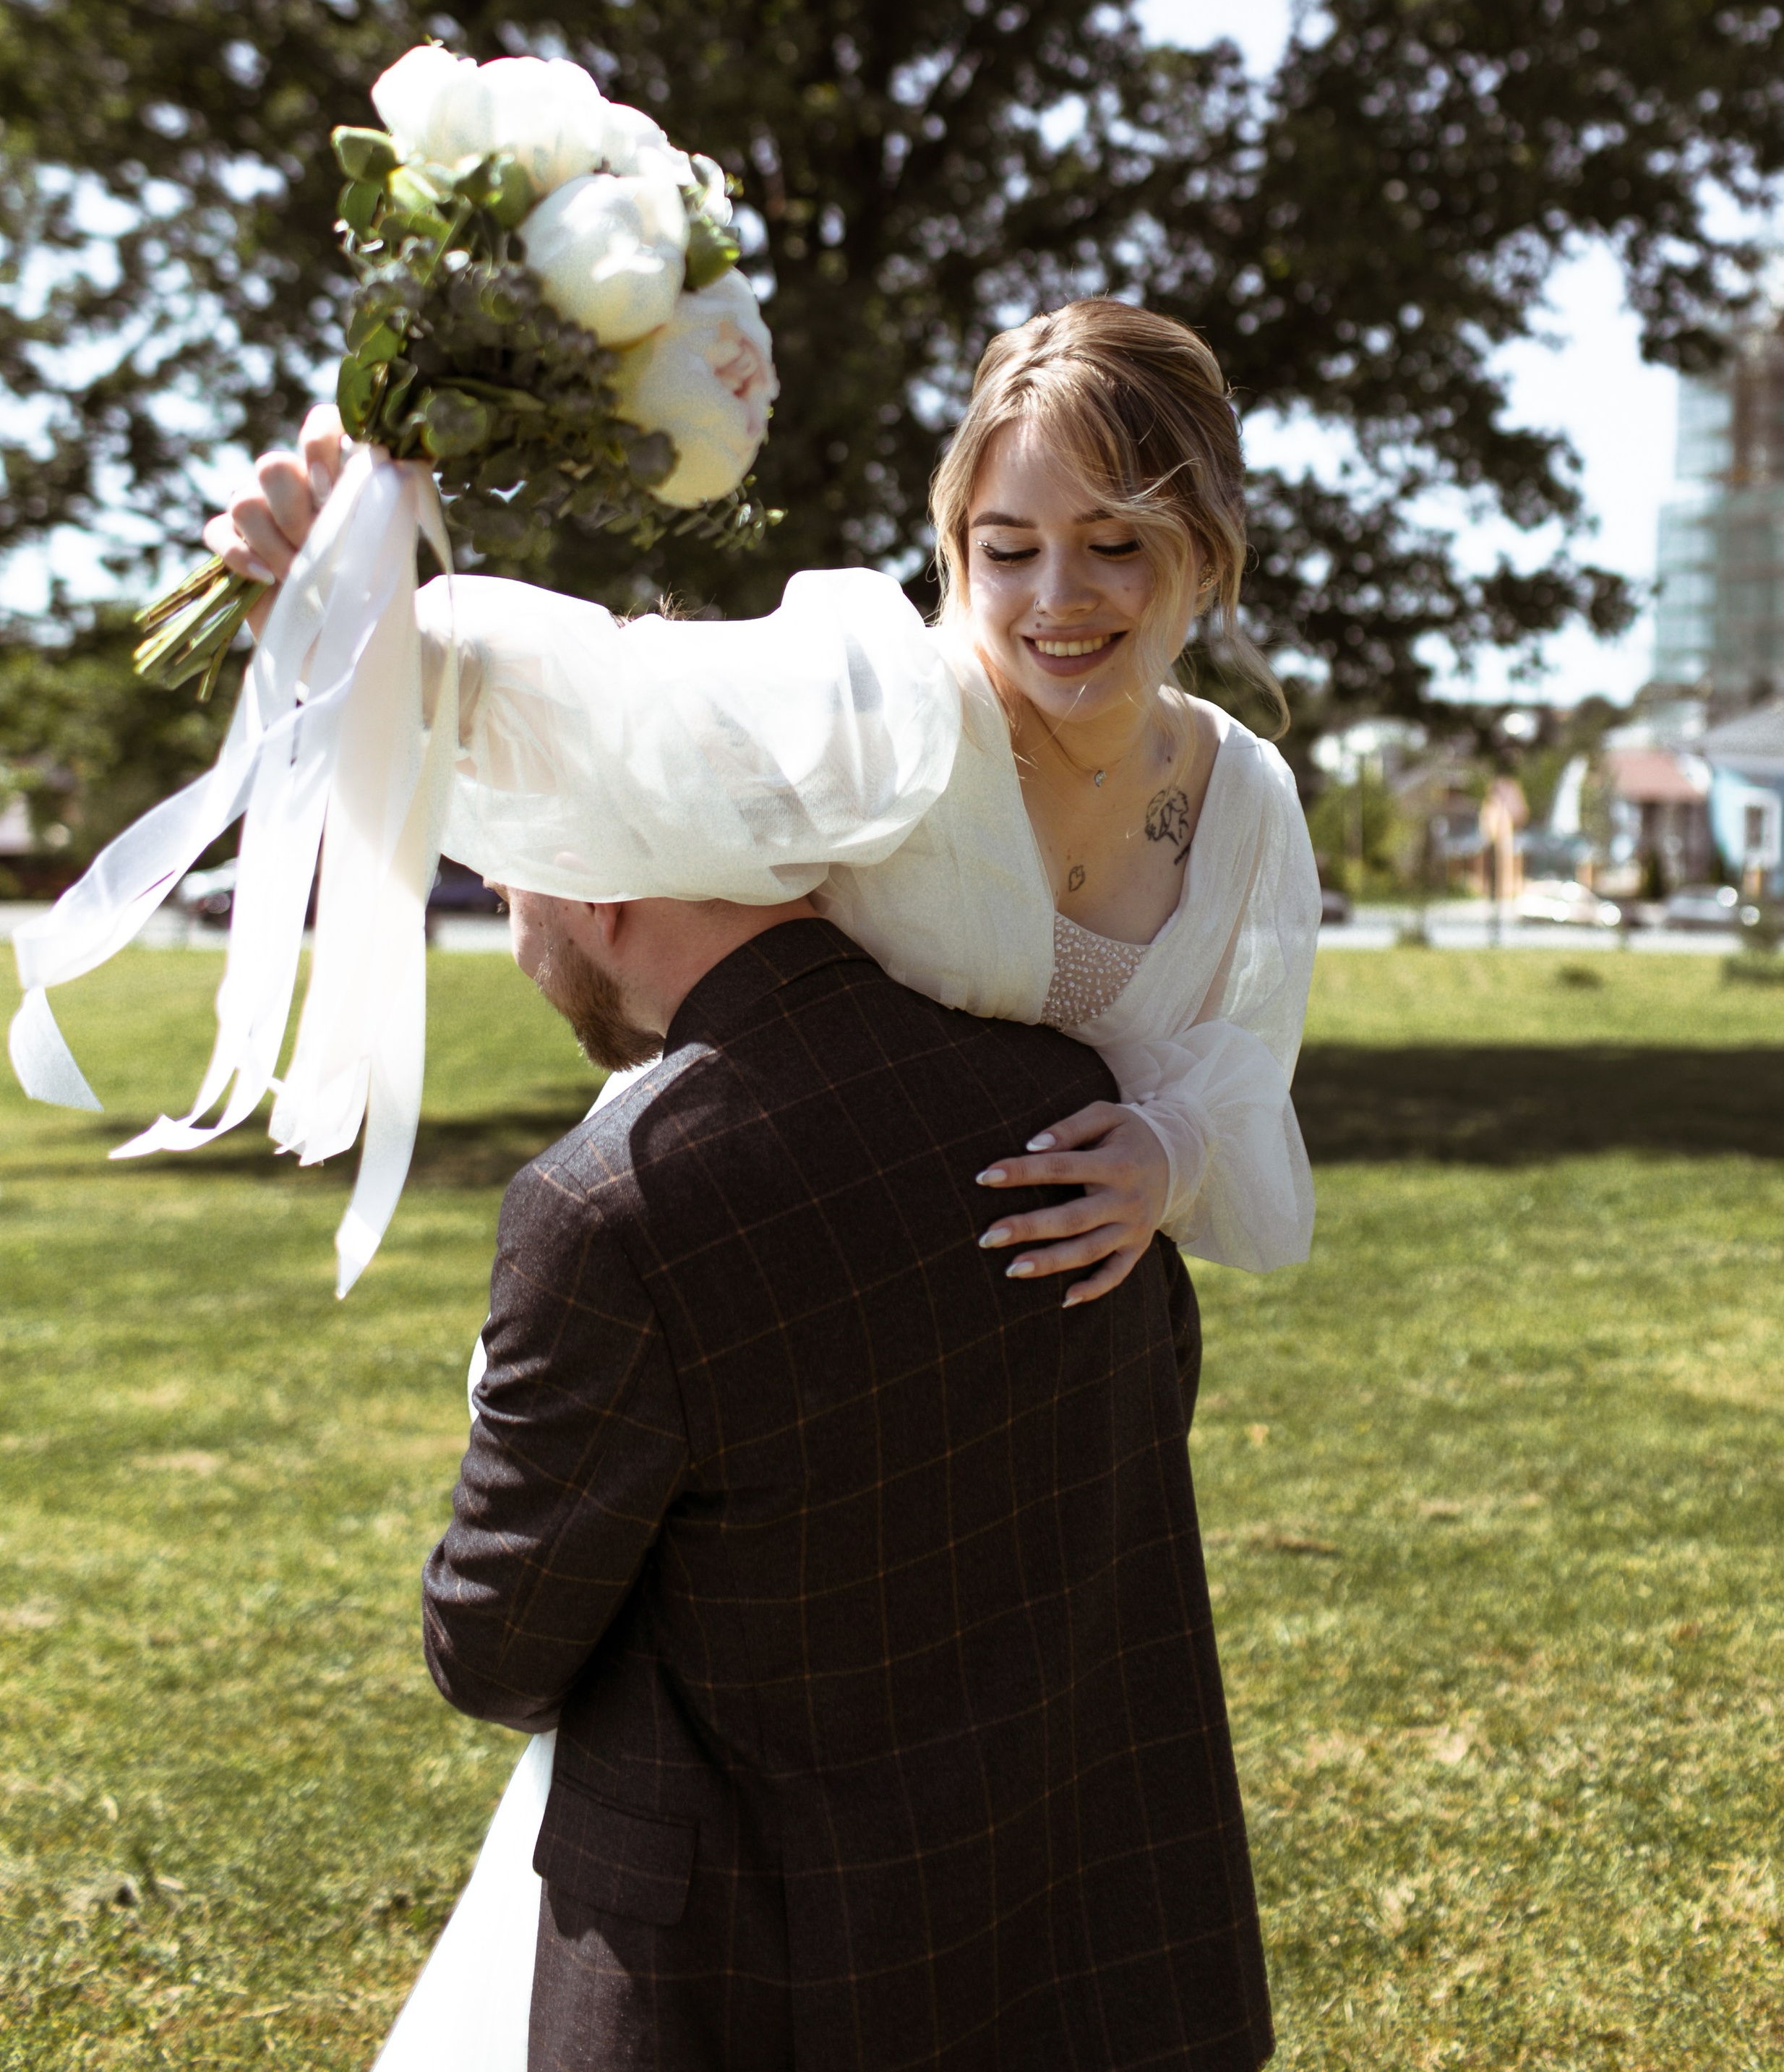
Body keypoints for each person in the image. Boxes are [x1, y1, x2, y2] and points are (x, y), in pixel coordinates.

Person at [213, 298, 1319, 2061]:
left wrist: (1168, 1148)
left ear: (1205, 544)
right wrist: (351, 608)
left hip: (1046, 1359)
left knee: (1048, 1850)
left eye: (1115, 544)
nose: (1056, 598)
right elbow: (610, 702)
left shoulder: (1243, 800)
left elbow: (1239, 1047)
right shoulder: (885, 709)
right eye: (1004, 546)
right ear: (951, 546)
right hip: (803, 1315)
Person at [417, 873, 1277, 2070]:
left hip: (758, 1980)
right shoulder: (1067, 1098)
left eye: (514, 893)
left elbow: (494, 1649)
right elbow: (1140, 1418)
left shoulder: (606, 1205)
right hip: (1088, 1940)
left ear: (600, 891)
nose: (515, 941)